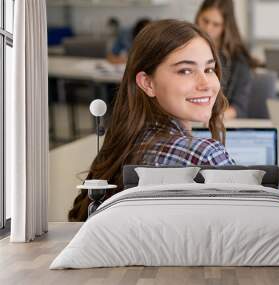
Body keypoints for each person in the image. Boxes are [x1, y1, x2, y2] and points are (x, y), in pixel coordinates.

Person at [69, 19, 236, 221]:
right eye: (185, 71)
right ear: (147, 83)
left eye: (209, 69)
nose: (206, 84)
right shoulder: (204, 155)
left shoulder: (123, 146)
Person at [195, 0, 259, 119]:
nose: (208, 28)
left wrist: (210, 117)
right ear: (198, 16)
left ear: (225, 26)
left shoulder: (239, 59)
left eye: (216, 24)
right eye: (205, 21)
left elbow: (238, 109)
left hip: (216, 121)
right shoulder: (185, 49)